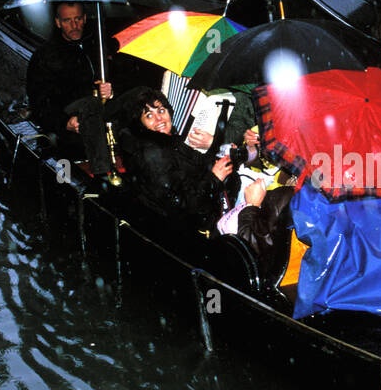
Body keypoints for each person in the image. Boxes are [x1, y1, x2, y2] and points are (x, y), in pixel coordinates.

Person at [115, 88, 294, 270]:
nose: (159, 119)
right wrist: (214, 179)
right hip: (191, 237)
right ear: (141, 123)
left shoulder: (169, 142)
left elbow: (201, 163)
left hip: (204, 216)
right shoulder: (152, 154)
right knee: (273, 205)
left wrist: (226, 154)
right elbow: (178, 205)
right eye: (149, 115)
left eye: (161, 111)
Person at [26, 1, 124, 173]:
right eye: (67, 21)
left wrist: (112, 89)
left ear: (85, 18)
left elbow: (125, 77)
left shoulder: (100, 44)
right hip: (73, 119)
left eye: (78, 19)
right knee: (91, 106)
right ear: (58, 23)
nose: (74, 25)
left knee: (140, 96)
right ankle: (102, 174)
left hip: (108, 114)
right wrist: (65, 122)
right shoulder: (45, 56)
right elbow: (40, 102)